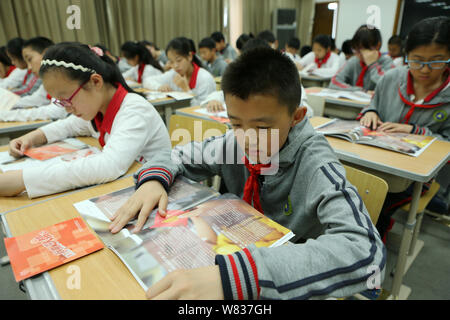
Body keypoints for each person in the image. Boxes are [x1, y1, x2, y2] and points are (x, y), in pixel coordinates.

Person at [109, 47, 385, 300]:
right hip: (234, 249)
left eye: (262, 128)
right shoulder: (233, 143)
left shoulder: (315, 162)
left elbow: (366, 250)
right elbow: (176, 154)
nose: (248, 139)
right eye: (236, 123)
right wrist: (154, 180)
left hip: (283, 274)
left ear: (296, 117)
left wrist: (241, 276)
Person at [0, 42, 171, 198]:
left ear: (95, 82)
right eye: (60, 102)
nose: (67, 108)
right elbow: (67, 126)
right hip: (130, 184)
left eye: (67, 99)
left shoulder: (134, 110)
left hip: (158, 190)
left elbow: (108, 166)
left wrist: (23, 179)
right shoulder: (97, 108)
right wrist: (31, 137)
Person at [358, 16, 450, 239]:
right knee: (350, 187)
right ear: (406, 56)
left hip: (415, 178)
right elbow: (374, 105)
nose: (425, 70)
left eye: (436, 61)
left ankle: (371, 243)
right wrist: (371, 112)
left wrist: (415, 131)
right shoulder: (391, 78)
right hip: (375, 160)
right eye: (417, 60)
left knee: (377, 200)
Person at [142, 37, 216, 106]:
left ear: (190, 56)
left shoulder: (204, 78)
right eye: (171, 62)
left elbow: (203, 108)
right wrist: (159, 87)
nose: (175, 66)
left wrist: (186, 90)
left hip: (197, 120)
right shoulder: (174, 73)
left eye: (179, 60)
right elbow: (147, 81)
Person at [330, 25, 394, 92]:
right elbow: (334, 82)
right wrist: (359, 91)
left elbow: (389, 86)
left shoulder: (387, 63)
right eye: (356, 49)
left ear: (377, 46)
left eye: (363, 49)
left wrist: (373, 65)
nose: (359, 54)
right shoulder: (354, 61)